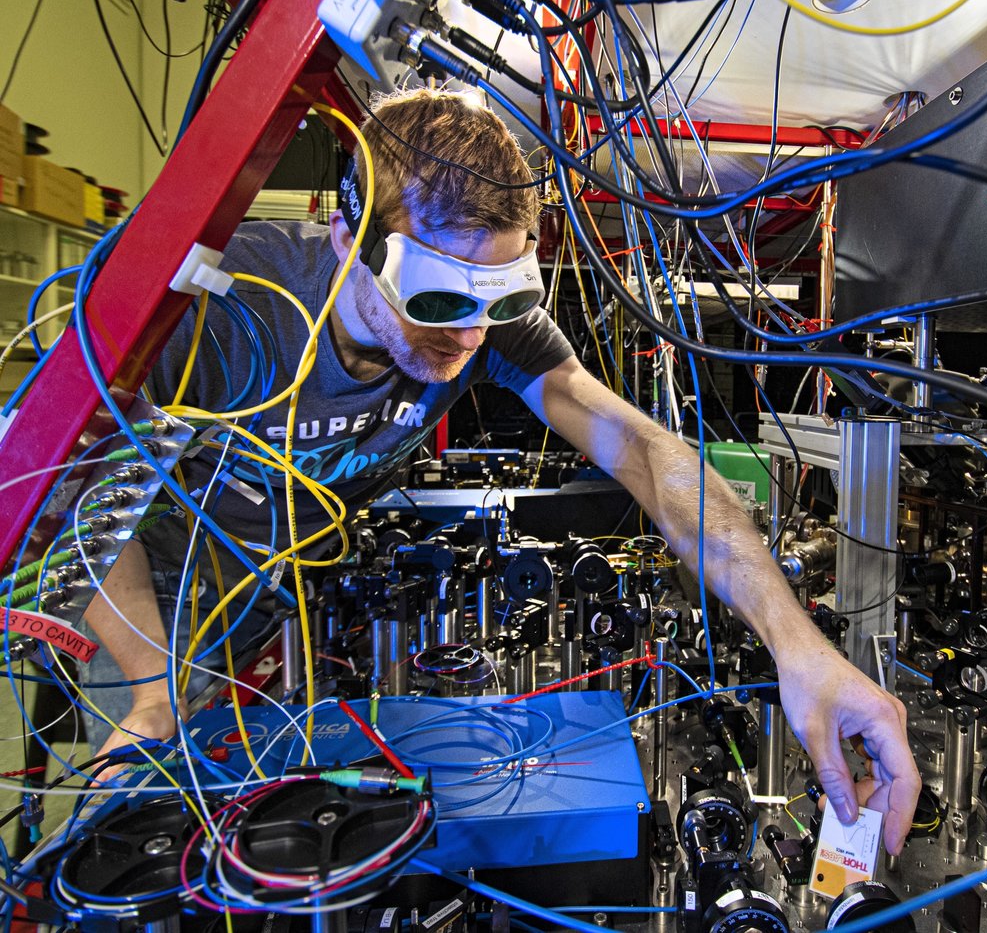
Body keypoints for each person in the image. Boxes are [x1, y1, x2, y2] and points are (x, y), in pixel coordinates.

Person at [80, 87, 918, 854]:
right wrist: (152, 688)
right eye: (442, 302)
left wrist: (797, 646)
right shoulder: (216, 308)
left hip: (275, 616)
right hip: (140, 612)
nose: (472, 336)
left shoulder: (479, 316)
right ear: (348, 238)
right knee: (136, 850)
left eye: (502, 301)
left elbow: (649, 455)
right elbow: (75, 492)